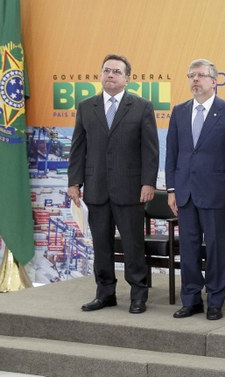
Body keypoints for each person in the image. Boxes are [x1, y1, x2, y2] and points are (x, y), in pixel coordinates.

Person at [68, 53, 159, 314]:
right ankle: (105, 293)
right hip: (96, 188)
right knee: (102, 246)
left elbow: (150, 150)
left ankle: (138, 295)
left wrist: (148, 183)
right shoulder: (86, 107)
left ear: (127, 79)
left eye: (117, 71)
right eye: (106, 70)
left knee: (133, 245)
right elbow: (78, 148)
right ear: (100, 75)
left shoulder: (142, 106)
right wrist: (74, 182)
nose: (110, 75)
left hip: (130, 190)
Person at [165, 58, 225, 321]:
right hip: (186, 194)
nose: (195, 80)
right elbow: (172, 154)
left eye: (200, 75)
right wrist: (171, 189)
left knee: (215, 249)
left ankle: (215, 300)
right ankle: (190, 299)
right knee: (187, 249)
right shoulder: (179, 111)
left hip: (216, 195)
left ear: (214, 81)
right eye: (191, 76)